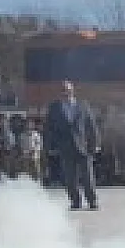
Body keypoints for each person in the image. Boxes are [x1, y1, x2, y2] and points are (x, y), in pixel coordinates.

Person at [44, 80, 100, 209]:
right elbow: (49, 129)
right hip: (65, 148)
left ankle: (92, 201)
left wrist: (95, 143)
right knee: (70, 178)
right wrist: (50, 146)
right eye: (63, 90)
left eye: (68, 90)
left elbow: (91, 126)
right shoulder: (54, 108)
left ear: (72, 90)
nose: (66, 92)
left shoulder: (82, 105)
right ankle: (75, 202)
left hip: (83, 147)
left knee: (88, 177)